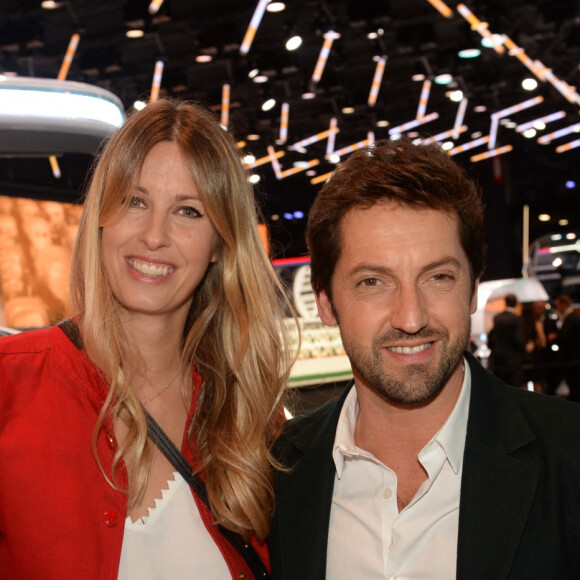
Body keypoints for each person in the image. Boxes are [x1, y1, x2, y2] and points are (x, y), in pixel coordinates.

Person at [0, 99, 294, 579]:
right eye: (135, 202)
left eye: (188, 211)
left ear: (220, 244)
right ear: (101, 216)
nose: (154, 235)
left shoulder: (252, 420)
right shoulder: (10, 385)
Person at [268, 138, 580, 579]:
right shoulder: (276, 474)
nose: (411, 318)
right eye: (373, 282)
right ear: (325, 302)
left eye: (438, 277)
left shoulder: (569, 456)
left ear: (472, 289)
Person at [487, 293, 526, 387]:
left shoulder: (497, 318)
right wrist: (524, 352)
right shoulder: (517, 319)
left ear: (505, 303)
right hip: (514, 359)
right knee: (514, 389)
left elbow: (492, 336)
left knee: (501, 388)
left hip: (499, 358)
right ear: (516, 303)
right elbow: (518, 340)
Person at [554, 294, 580, 402]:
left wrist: (555, 337)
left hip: (572, 359)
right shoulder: (574, 317)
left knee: (574, 386)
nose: (557, 309)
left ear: (563, 305)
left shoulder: (570, 318)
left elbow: (563, 337)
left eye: (558, 306)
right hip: (575, 358)